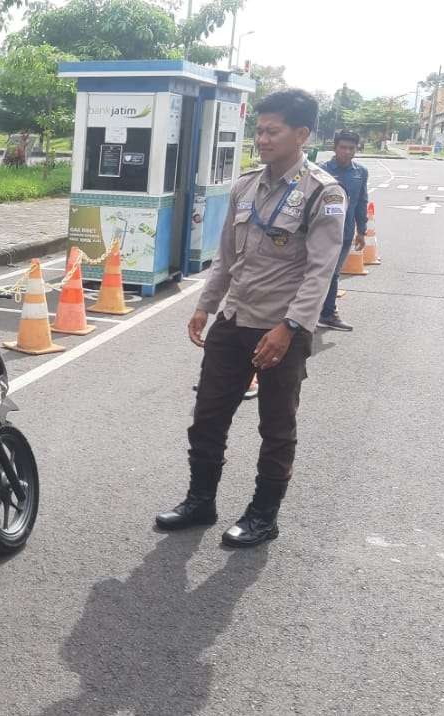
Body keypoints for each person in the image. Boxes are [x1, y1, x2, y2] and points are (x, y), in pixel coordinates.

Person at [155, 89, 346, 548]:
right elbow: (224, 256)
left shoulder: (323, 192)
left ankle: (264, 515)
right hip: (234, 319)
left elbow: (322, 270)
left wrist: (291, 327)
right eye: (258, 130)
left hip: (282, 328)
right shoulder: (244, 185)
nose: (261, 138)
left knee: (276, 427)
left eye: (271, 131)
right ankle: (201, 500)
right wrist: (205, 304)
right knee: (207, 417)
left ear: (301, 134)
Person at [317, 129, 369, 331]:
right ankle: (315, 313)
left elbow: (361, 201)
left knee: (333, 273)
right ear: (334, 148)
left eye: (351, 148)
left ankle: (327, 313)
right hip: (320, 232)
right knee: (317, 272)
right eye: (343, 147)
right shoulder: (320, 170)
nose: (347, 152)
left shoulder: (360, 172)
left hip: (345, 233)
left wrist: (361, 230)